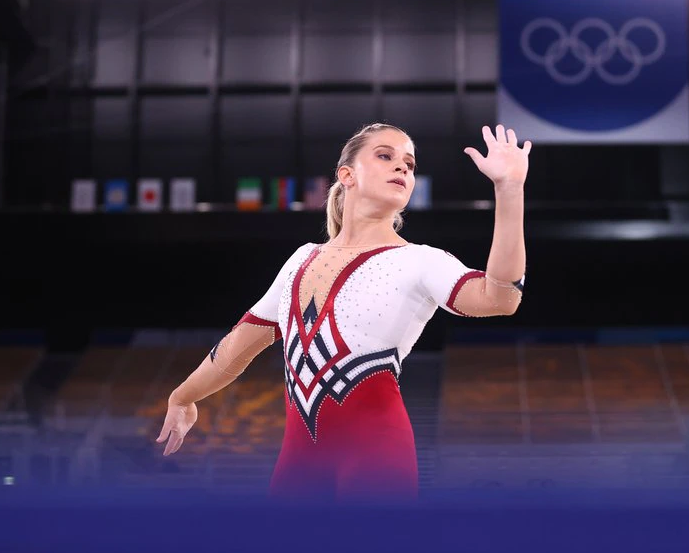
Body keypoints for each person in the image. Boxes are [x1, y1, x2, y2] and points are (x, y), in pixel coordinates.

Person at [156, 123, 531, 501]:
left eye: (409, 164)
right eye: (385, 156)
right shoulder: (301, 260)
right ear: (346, 175)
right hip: (297, 467)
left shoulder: (421, 261)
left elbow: (501, 298)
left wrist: (509, 190)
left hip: (378, 454)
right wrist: (182, 397)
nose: (402, 168)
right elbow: (237, 347)